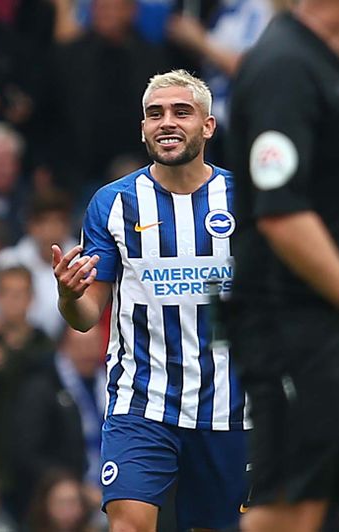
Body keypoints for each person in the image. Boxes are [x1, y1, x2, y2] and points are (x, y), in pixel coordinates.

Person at [52, 70, 249, 531]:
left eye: (182, 112)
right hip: (143, 401)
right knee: (128, 524)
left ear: (208, 125)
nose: (167, 122)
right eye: (154, 113)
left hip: (231, 404)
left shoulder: (245, 200)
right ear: (142, 127)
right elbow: (84, 317)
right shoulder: (113, 203)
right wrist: (68, 295)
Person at [225, 2, 339, 531]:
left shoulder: (321, 64)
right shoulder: (285, 67)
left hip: (321, 320)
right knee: (291, 508)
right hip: (291, 321)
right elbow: (282, 214)